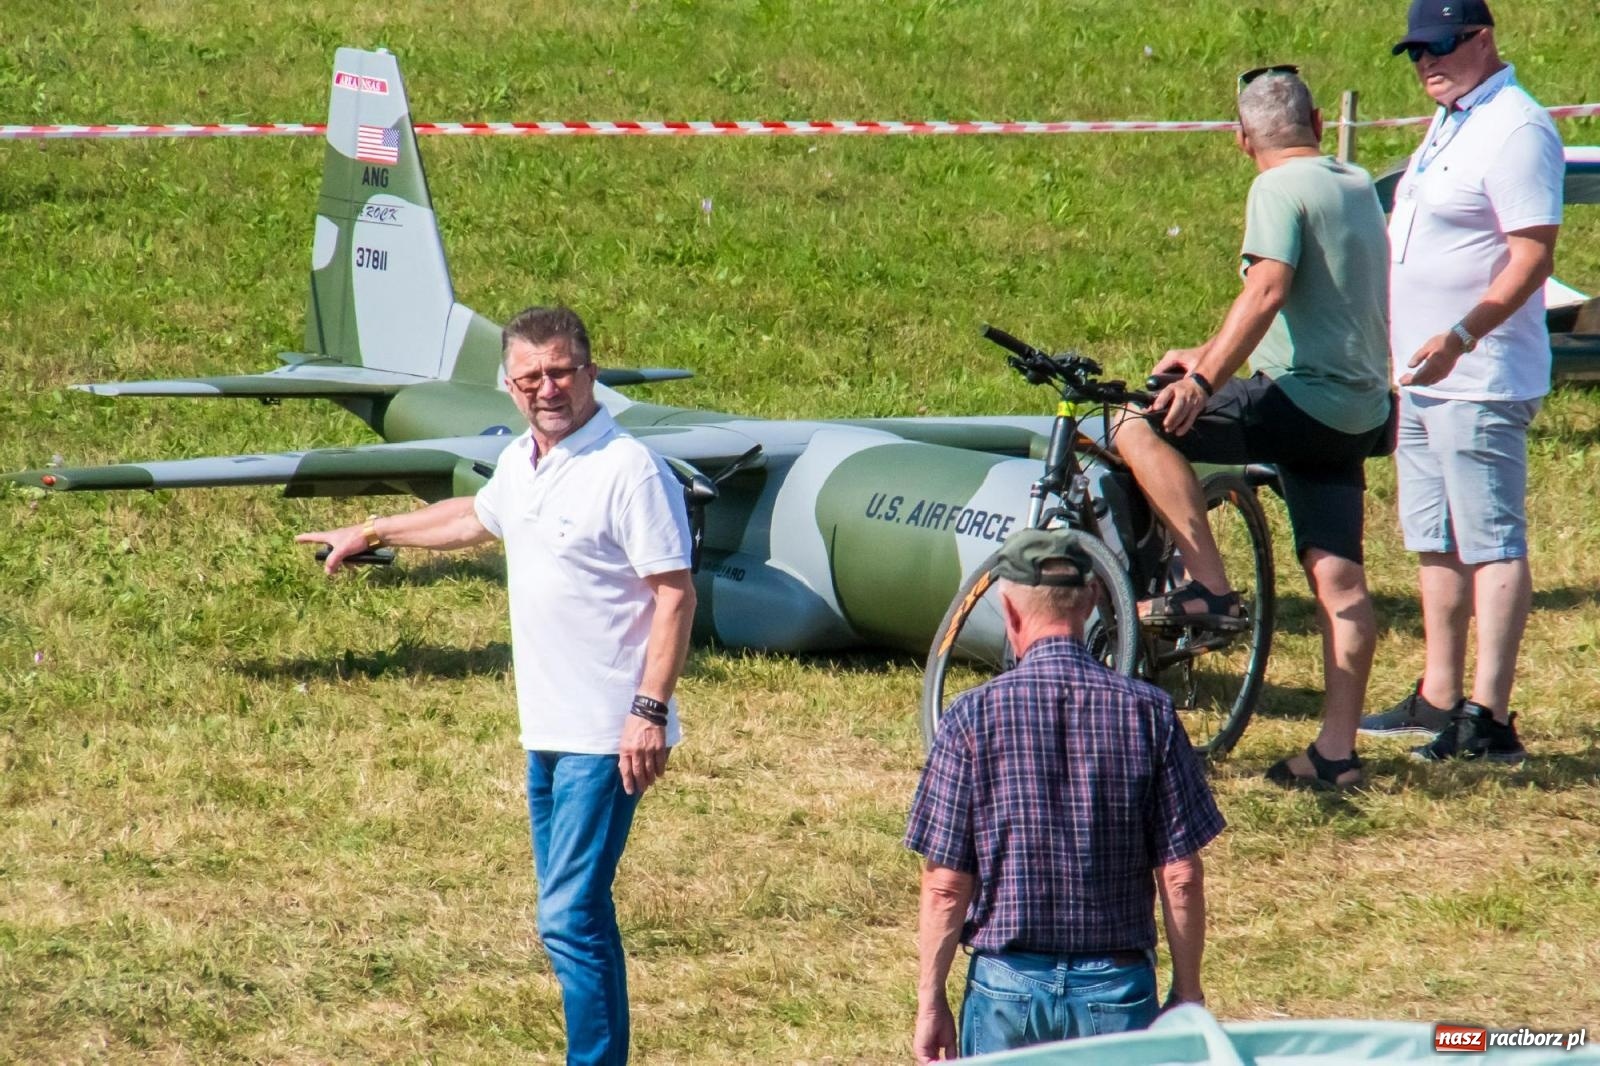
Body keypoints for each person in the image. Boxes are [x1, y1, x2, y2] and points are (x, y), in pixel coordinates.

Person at [298, 306, 696, 1065]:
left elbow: (675, 595)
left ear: (591, 372)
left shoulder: (628, 470)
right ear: (509, 386)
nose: (548, 388)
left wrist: (648, 713)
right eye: (530, 376)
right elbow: (474, 518)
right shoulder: (524, 460)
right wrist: (374, 531)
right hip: (544, 731)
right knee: (576, 913)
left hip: (604, 736)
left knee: (567, 917)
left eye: (561, 371)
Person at [1114, 68, 1394, 790]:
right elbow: (1318, 303)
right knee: (1340, 582)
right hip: (1359, 411)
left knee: (1136, 424)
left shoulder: (1275, 188)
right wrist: (1203, 355)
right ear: (1321, 122)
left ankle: (1207, 585)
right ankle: (1336, 753)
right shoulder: (1356, 182)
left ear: (1242, 139)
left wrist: (1200, 384)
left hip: (1299, 402)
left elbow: (1266, 289)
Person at [906, 529, 1223, 1061]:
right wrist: (1187, 992)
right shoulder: (1149, 713)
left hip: (1007, 983)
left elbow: (944, 885)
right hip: (1118, 987)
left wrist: (930, 1002)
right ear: (1094, 600)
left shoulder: (969, 720)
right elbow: (1181, 875)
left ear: (1009, 611)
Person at [1358, 0, 1562, 764]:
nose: (1424, 63)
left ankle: (1491, 717)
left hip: (1478, 375)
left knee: (1492, 541)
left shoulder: (1515, 127)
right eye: (1414, 51)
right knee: (1433, 539)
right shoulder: (1451, 120)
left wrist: (1463, 334)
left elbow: (1532, 254)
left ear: (1484, 39)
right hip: (1421, 373)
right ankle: (1438, 695)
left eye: (1439, 47)